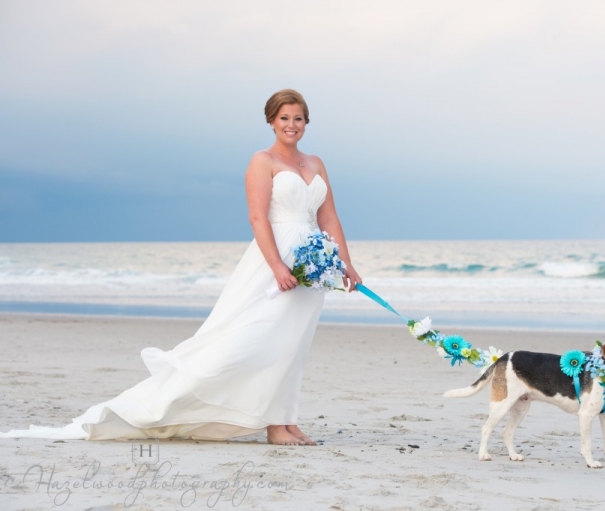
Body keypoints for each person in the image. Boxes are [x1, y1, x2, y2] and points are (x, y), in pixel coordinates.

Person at [0, 89, 362, 446]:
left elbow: (329, 217)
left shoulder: (315, 164)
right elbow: (257, 217)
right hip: (276, 261)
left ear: (306, 122)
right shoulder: (262, 161)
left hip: (312, 264)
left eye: (298, 118)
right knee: (254, 338)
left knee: (292, 343)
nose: (291, 124)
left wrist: (344, 264)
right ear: (271, 121)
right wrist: (277, 267)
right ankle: (269, 424)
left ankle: (285, 420)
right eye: (284, 118)